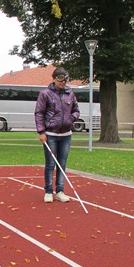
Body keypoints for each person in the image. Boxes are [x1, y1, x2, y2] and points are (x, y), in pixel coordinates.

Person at [34, 67, 80, 203]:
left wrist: (71, 119)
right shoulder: (45, 94)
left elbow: (76, 110)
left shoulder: (70, 94)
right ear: (54, 79)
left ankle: (60, 191)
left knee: (62, 164)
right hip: (50, 134)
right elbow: (39, 113)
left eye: (65, 79)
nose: (63, 82)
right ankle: (48, 191)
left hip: (66, 134)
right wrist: (41, 132)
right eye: (60, 78)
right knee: (50, 164)